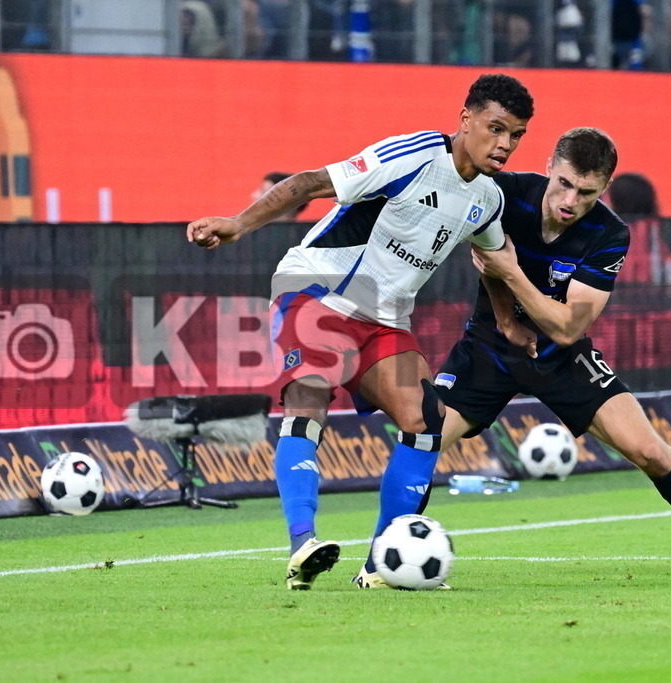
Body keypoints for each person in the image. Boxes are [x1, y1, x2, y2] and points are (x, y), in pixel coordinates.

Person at [352, 128, 671, 588]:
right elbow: (473, 238)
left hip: (561, 357)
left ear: (604, 188)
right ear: (550, 166)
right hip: (487, 351)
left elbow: (567, 326)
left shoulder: (609, 234)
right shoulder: (505, 193)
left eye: (587, 192)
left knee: (651, 451)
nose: (570, 200)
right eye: (564, 183)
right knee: (423, 442)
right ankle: (378, 565)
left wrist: (511, 272)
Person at [187, 74, 534, 590]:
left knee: (426, 419)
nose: (505, 144)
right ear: (466, 119)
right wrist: (237, 224)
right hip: (318, 290)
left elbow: (494, 257)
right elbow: (308, 183)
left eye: (517, 135)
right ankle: (302, 542)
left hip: (384, 318)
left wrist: (508, 318)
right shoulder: (412, 155)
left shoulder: (487, 197)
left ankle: (379, 563)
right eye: (496, 128)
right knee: (310, 394)